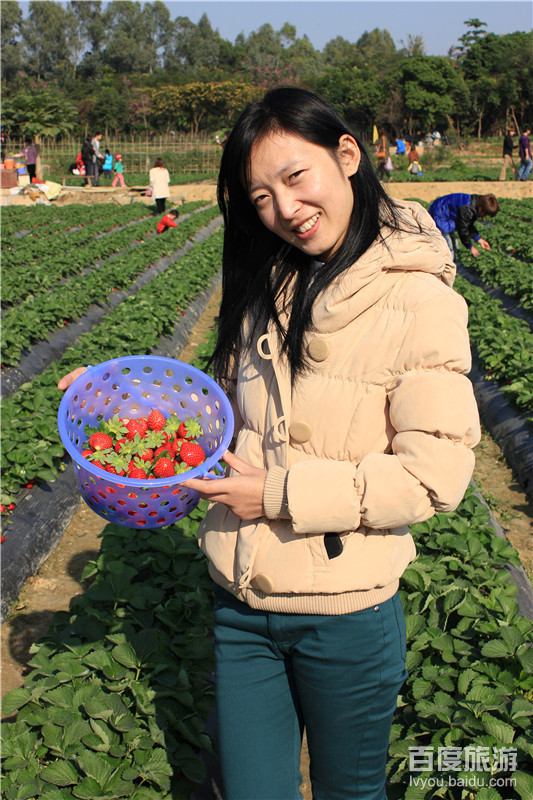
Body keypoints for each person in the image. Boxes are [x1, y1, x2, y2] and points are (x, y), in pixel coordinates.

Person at [58, 87, 481, 800]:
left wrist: (278, 492)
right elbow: (230, 414)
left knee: (350, 793)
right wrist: (119, 405)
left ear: (346, 155)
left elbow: (434, 475)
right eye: (259, 197)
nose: (283, 209)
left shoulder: (420, 301)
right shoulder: (269, 279)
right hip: (241, 602)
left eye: (294, 177)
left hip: (345, 614)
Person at [428, 192, 499, 259]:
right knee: (448, 249)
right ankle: (446, 268)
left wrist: (479, 239)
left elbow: (468, 224)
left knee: (454, 246)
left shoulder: (475, 204)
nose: (484, 216)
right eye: (485, 214)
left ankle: (450, 266)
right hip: (440, 215)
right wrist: (471, 247)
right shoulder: (468, 209)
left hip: (447, 215)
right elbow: (463, 228)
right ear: (481, 208)